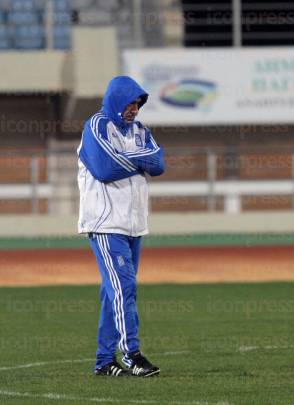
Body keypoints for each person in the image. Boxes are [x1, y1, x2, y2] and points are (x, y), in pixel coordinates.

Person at [76, 76, 165, 377]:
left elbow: (160, 164)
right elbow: (103, 168)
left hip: (134, 224)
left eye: (138, 104)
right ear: (117, 100)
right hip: (105, 221)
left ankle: (104, 362)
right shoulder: (97, 125)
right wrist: (141, 161)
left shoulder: (141, 131)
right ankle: (132, 355)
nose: (134, 110)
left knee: (112, 291)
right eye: (130, 103)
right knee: (124, 287)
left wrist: (127, 158)